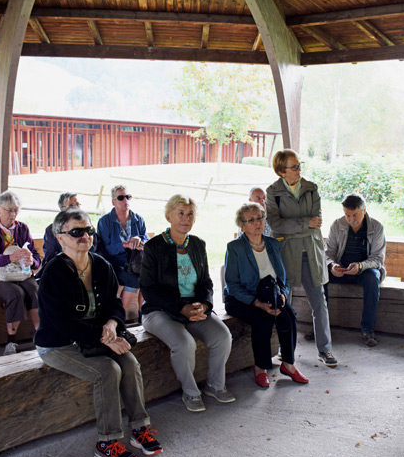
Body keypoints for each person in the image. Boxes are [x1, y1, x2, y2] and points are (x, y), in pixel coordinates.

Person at [35, 208, 162, 457]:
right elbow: (61, 323)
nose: (85, 236)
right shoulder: (54, 273)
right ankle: (107, 443)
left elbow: (115, 304)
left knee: (129, 363)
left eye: (88, 231)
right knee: (107, 370)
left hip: (96, 336)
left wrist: (113, 324)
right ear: (60, 237)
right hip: (58, 342)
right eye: (76, 232)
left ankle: (140, 428)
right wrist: (103, 336)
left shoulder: (101, 265)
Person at [140, 194, 234, 412]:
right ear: (168, 216)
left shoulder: (198, 245)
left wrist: (205, 305)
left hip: (193, 309)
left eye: (190, 213)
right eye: (180, 213)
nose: (186, 218)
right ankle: (191, 393)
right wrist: (179, 307)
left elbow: (205, 282)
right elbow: (148, 289)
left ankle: (215, 386)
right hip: (160, 311)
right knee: (184, 344)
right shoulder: (154, 247)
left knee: (222, 336)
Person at [224, 202, 307, 388]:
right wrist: (257, 303)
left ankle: (288, 364)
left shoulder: (271, 244)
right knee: (263, 320)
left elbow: (282, 278)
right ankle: (260, 368)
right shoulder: (235, 248)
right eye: (251, 220)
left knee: (290, 316)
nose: (257, 223)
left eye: (260, 218)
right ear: (242, 225)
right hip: (241, 298)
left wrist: (283, 295)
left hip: (270, 293)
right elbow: (232, 285)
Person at [266, 149, 336, 367]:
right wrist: (305, 224)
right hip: (287, 254)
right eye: (294, 167)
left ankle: (325, 350)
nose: (299, 169)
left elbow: (318, 221)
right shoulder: (273, 192)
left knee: (319, 304)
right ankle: (284, 351)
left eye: (299, 165)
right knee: (285, 303)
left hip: (311, 253)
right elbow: (275, 225)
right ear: (281, 171)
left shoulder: (311, 188)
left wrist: (294, 226)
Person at [0, 190, 41, 355]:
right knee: (15, 293)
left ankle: (40, 335)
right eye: (8, 210)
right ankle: (11, 341)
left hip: (20, 274)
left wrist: (31, 261)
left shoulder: (23, 229)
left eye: (15, 211)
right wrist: (9, 258)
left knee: (34, 289)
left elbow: (36, 257)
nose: (12, 215)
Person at [324, 193, 386, 348]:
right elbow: (328, 253)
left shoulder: (376, 227)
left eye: (355, 215)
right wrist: (332, 266)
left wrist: (360, 266)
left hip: (363, 271)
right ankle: (321, 327)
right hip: (341, 270)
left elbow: (378, 259)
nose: (351, 219)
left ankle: (368, 330)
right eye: (347, 215)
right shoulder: (337, 225)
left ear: (364, 211)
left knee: (373, 278)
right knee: (320, 275)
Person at [97, 185, 147, 322]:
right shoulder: (105, 221)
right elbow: (106, 249)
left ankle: (143, 315)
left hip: (135, 261)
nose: (125, 200)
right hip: (114, 262)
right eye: (121, 197)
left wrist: (139, 239)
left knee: (148, 276)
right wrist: (125, 244)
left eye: (128, 197)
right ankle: (119, 317)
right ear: (113, 202)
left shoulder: (138, 219)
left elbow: (146, 239)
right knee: (133, 279)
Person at [36, 192, 99, 280]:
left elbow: (93, 248)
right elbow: (50, 256)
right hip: (59, 269)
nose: (76, 208)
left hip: (86, 266)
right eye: (71, 206)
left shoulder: (87, 227)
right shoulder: (51, 230)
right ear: (62, 209)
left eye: (77, 205)